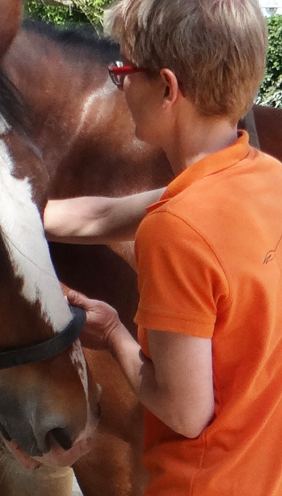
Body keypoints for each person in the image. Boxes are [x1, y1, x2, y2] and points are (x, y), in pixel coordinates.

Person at [43, 0, 282, 494]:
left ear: (167, 87)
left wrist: (111, 332)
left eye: (124, 70)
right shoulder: (266, 178)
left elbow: (184, 411)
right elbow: (105, 215)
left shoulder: (175, 230)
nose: (121, 84)